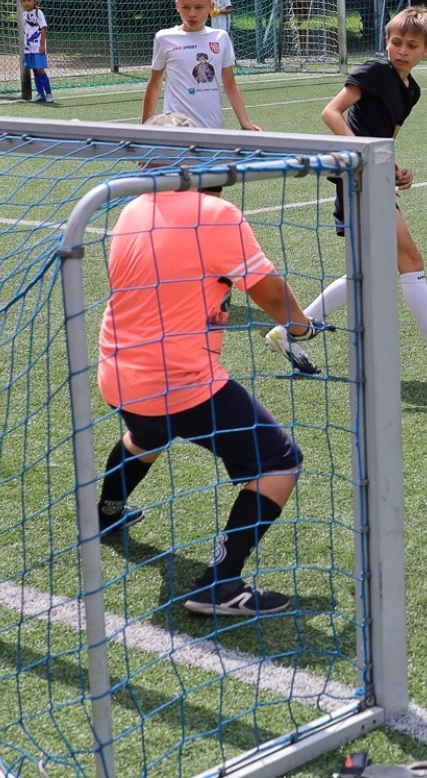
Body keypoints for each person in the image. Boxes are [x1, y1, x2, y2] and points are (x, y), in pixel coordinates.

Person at [94, 110, 315, 616]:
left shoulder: (132, 208)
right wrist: (300, 325)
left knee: (148, 433)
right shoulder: (215, 215)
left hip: (119, 373)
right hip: (180, 380)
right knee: (280, 462)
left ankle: (107, 514)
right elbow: (267, 290)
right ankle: (220, 582)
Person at [268, 5, 427, 382]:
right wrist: (365, 156)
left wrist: (392, 168)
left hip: (372, 175)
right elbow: (331, 112)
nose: (401, 50)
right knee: (409, 259)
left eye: (411, 45)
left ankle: (292, 330)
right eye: (395, 42)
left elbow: (388, 136)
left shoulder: (412, 89)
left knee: (366, 272)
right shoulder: (375, 71)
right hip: (357, 176)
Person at [141, 0, 262, 132]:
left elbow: (230, 83)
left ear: (211, 8)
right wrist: (143, 132)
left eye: (198, 7)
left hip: (213, 130)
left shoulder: (221, 38)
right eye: (185, 7)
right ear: (177, 6)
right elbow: (155, 84)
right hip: (177, 131)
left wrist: (244, 121)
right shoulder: (164, 38)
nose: (192, 13)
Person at [20, 0, 53, 103]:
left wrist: (42, 45)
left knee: (40, 70)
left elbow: (43, 28)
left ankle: (49, 93)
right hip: (29, 48)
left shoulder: (39, 13)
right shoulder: (24, 15)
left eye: (29, 0)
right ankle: (40, 94)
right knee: (34, 71)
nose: (26, 3)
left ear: (34, 1)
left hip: (38, 47)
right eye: (23, 1)